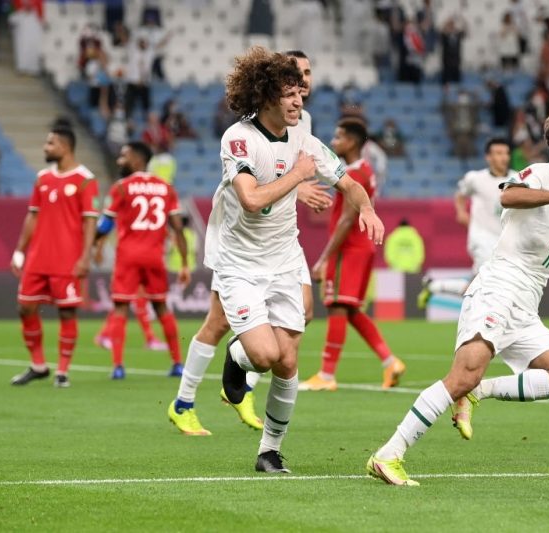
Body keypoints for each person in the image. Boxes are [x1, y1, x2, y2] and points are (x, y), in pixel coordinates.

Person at [367, 100, 549, 486]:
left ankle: (480, 391)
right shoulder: (541, 174)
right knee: (462, 374)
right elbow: (508, 196)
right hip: (498, 287)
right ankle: (389, 454)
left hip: (527, 304)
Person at [215, 46, 384, 473]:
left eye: (300, 93)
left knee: (287, 360)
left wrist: (366, 208)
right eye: (289, 94)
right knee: (263, 356)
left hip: (285, 260)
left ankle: (269, 452)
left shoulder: (305, 142)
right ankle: (237, 356)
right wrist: (298, 175)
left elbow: (349, 183)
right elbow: (251, 200)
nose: (298, 100)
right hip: (240, 265)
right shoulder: (239, 139)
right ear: (265, 95)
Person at [167, 49, 332, 438]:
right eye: (298, 75)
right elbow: (256, 182)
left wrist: (302, 185)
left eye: (308, 74)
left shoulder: (302, 121)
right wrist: (297, 184)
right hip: (240, 241)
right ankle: (184, 403)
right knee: (219, 322)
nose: (305, 81)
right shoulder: (250, 128)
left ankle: (246, 381)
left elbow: (296, 165)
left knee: (304, 313)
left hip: (281, 241)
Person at [300, 118, 404, 392]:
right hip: (361, 247)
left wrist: (324, 258)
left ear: (353, 141)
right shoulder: (363, 170)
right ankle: (390, 361)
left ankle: (326, 375)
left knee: (336, 305)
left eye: (339, 137)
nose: (333, 142)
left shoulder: (355, 174)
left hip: (350, 247)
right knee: (351, 309)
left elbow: (347, 219)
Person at [10, 127, 99, 388]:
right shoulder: (42, 178)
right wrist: (19, 250)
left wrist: (85, 257)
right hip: (37, 258)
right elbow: (32, 215)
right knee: (25, 307)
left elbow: (90, 222)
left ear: (65, 147)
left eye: (50, 143)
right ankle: (38, 365)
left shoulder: (85, 180)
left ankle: (62, 371)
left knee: (67, 312)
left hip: (67, 260)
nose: (45, 147)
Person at [94, 141, 191, 379]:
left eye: (123, 156)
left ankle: (118, 366)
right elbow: (178, 228)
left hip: (128, 256)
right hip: (154, 257)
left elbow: (105, 224)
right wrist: (184, 264)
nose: (119, 161)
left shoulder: (122, 187)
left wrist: (91, 241)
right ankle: (177, 364)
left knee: (120, 307)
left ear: (137, 159)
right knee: (161, 307)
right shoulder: (166, 188)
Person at [418, 138, 518, 307]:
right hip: (481, 238)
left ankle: (434, 286)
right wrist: (461, 212)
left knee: (479, 285)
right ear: (488, 157)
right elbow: (460, 195)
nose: (503, 157)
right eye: (498, 153)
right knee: (491, 283)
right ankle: (485, 319)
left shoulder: (517, 179)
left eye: (506, 153)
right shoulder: (475, 179)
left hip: (503, 240)